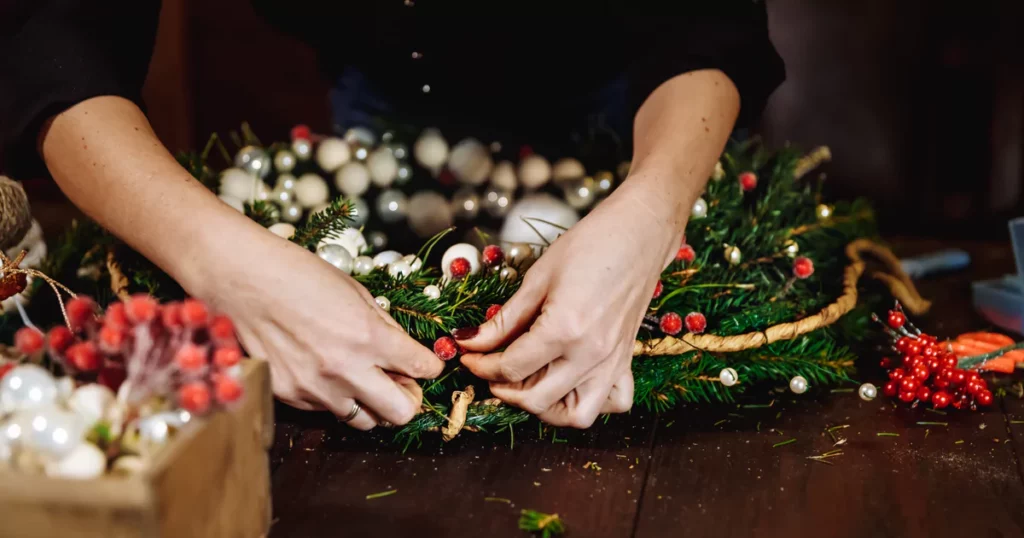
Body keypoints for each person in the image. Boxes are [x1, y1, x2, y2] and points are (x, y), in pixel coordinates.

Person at [0, 2, 784, 430]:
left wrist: (653, 210)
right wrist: (220, 257)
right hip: (386, 90)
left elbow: (708, 26)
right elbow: (55, 37)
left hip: (635, 93)